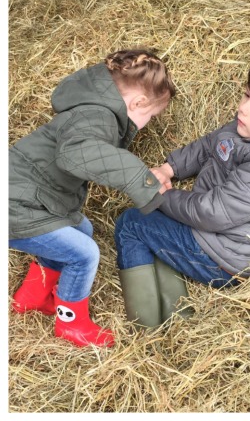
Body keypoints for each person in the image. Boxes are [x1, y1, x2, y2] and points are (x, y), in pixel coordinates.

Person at [113, 52, 250, 328]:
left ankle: (145, 325)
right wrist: (169, 169)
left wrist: (158, 194)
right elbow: (212, 143)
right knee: (156, 228)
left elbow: (211, 213)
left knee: (132, 223)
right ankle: (173, 310)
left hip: (223, 259)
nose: (243, 109)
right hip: (212, 233)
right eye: (247, 96)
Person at [9, 49, 176, 347]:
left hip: (29, 195)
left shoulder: (92, 108)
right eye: (150, 116)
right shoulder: (97, 116)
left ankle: (32, 297)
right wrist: (141, 179)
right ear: (138, 103)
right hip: (15, 204)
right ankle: (71, 324)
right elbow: (76, 155)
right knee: (84, 253)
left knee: (81, 230)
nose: (147, 124)